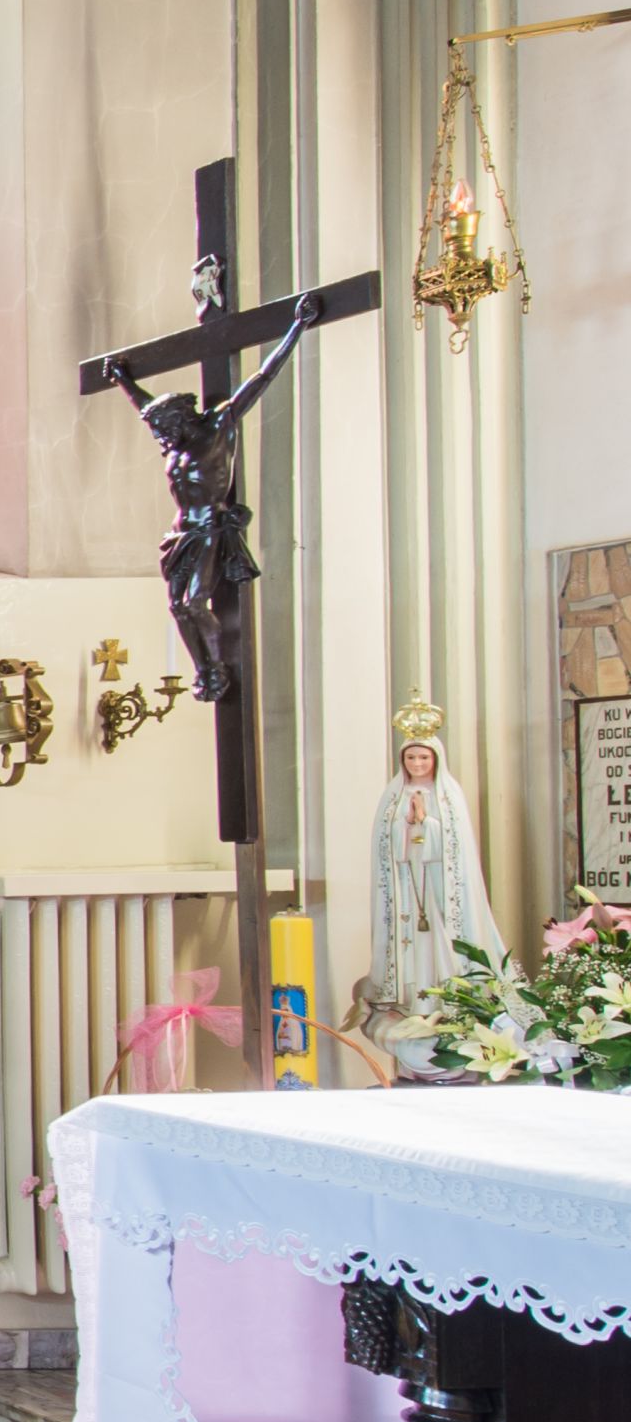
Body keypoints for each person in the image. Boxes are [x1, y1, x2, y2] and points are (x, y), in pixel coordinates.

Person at [86, 296, 322, 701]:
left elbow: (262, 378)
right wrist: (122, 380)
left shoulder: (217, 429)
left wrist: (296, 328)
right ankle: (204, 669)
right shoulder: (175, 443)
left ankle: (215, 668)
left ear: (179, 419)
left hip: (210, 528)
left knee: (194, 603)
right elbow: (144, 405)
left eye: (163, 428)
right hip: (180, 533)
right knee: (178, 607)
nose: (160, 437)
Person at [358, 698, 503, 1055]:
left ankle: (446, 998)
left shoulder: (449, 796)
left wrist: (427, 823)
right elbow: (387, 847)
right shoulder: (393, 796)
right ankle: (412, 1000)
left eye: (423, 757)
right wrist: (407, 825)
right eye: (411, 757)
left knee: (439, 940)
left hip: (439, 889)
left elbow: (455, 847)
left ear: (435, 759)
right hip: (407, 889)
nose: (417, 763)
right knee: (411, 945)